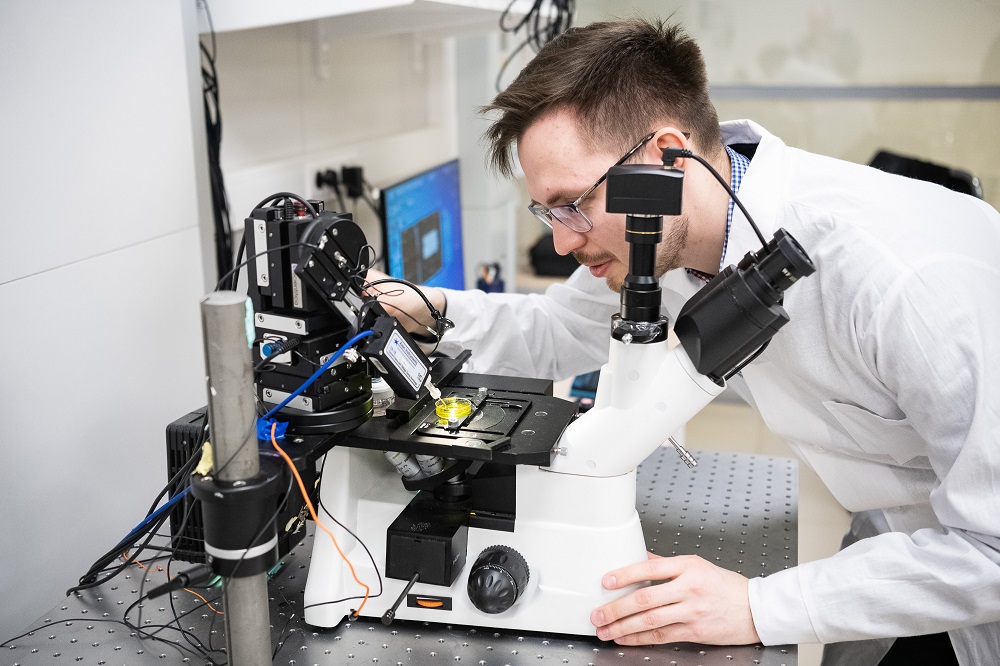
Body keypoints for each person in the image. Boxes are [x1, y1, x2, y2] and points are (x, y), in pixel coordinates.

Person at [365, 17, 1000, 666]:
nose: (561, 240)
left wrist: (755, 606)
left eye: (573, 203)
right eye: (547, 211)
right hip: (903, 535)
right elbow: (558, 327)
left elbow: (992, 547)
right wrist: (426, 307)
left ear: (666, 157)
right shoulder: (668, 237)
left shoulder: (902, 283)